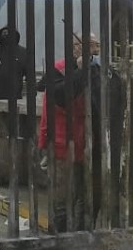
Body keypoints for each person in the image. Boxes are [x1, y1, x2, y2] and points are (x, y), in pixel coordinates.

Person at [37, 33, 114, 232]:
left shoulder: (96, 70)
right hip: (63, 145)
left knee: (87, 200)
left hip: (89, 145)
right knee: (63, 201)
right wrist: (81, 71)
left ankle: (81, 239)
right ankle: (60, 242)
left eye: (95, 46)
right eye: (89, 46)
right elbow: (60, 96)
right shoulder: (59, 69)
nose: (93, 50)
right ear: (75, 48)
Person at [0, 25, 33, 168]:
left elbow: (30, 76)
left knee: (13, 131)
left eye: (9, 33)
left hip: (14, 98)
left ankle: (12, 161)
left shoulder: (23, 52)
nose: (6, 35)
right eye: (3, 33)